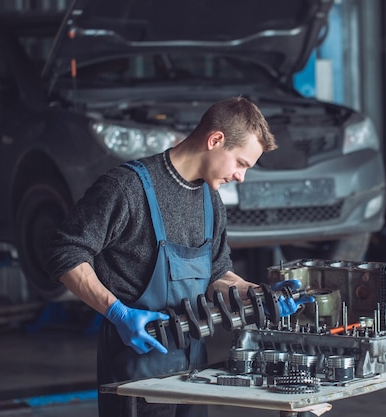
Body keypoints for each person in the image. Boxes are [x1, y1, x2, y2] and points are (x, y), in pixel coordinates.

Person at [45, 96, 314, 417]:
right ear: (216, 140)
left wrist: (260, 296)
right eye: (241, 163)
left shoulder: (210, 201)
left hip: (194, 370)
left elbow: (218, 274)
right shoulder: (126, 188)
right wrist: (117, 313)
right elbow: (65, 253)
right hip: (135, 368)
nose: (242, 176)